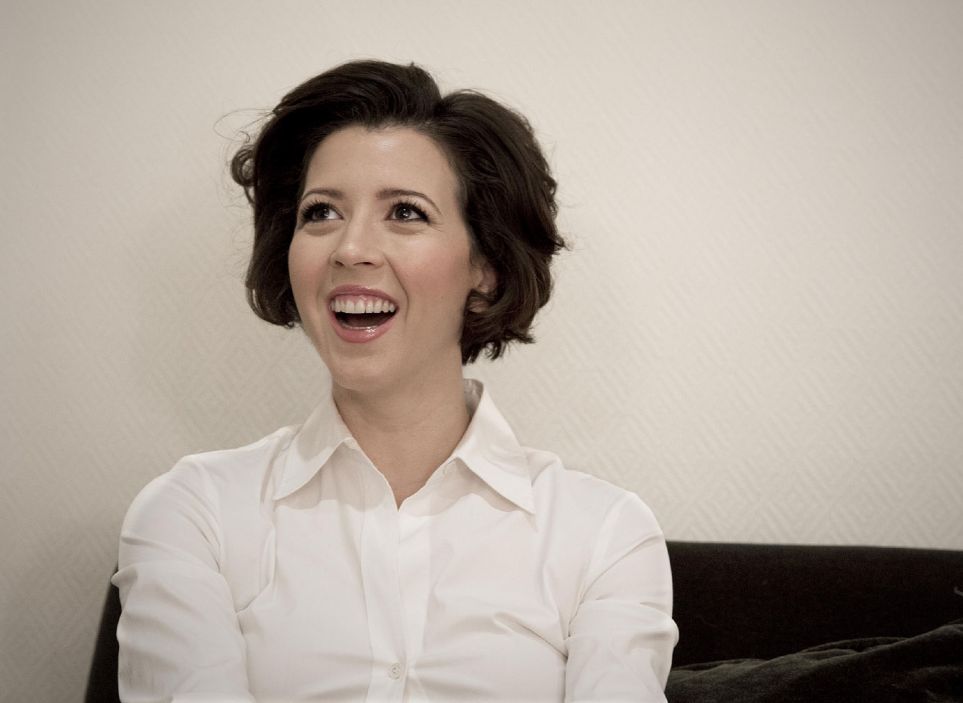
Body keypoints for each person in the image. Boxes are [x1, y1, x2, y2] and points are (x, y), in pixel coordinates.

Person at [113, 60, 677, 702]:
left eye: (406, 212)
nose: (350, 248)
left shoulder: (603, 535)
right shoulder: (196, 514)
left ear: (486, 266)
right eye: (321, 212)